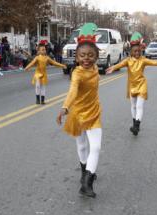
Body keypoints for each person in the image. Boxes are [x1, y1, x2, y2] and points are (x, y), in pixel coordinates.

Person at [56, 23, 101, 198]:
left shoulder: (96, 68)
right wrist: (64, 107)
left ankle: (87, 182)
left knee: (95, 147)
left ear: (97, 56)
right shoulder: (77, 73)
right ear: (77, 58)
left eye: (90, 55)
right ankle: (85, 170)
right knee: (82, 145)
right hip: (77, 113)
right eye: (82, 55)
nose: (86, 59)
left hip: (94, 112)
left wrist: (115, 67)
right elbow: (73, 91)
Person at [106, 32, 157, 136]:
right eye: (135, 51)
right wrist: (112, 68)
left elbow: (153, 62)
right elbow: (119, 64)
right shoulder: (128, 61)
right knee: (133, 106)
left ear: (141, 51)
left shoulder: (143, 60)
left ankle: (136, 126)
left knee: (139, 105)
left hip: (142, 85)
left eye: (139, 51)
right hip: (132, 86)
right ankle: (134, 123)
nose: (137, 53)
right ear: (131, 52)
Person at [24, 40, 66, 105]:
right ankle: (37, 100)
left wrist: (62, 65)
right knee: (37, 86)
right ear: (39, 51)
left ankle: (42, 100)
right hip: (38, 74)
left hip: (44, 74)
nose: (44, 51)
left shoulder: (47, 58)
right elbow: (32, 63)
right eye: (43, 49)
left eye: (45, 49)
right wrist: (27, 67)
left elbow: (54, 63)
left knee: (43, 87)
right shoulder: (37, 58)